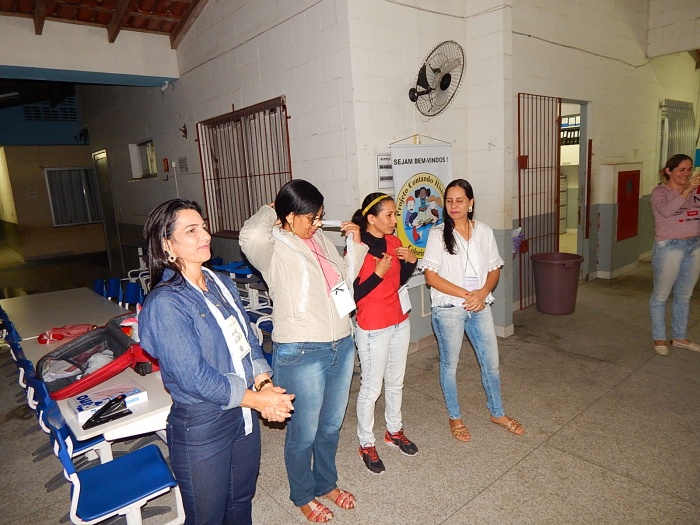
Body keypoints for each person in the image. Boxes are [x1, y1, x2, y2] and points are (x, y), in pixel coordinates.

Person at [139, 199, 295, 525]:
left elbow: (248, 341)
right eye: (191, 230)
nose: (205, 235)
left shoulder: (219, 282)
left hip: (242, 414)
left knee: (240, 501)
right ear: (168, 244)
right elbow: (194, 377)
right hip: (203, 424)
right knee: (207, 517)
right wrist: (258, 400)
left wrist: (265, 384)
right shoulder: (166, 303)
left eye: (204, 227)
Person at [240, 180, 368, 523]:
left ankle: (326, 483)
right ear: (290, 216)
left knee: (330, 425)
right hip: (302, 350)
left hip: (341, 343)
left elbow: (343, 285)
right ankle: (303, 494)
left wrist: (354, 246)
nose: (317, 224)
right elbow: (249, 236)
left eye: (320, 217)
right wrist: (271, 209)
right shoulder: (273, 247)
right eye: (311, 218)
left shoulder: (320, 239)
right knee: (304, 431)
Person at [419, 179, 525, 442]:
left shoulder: (484, 231)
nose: (453, 206)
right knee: (450, 366)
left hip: (479, 306)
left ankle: (497, 413)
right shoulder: (437, 234)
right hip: (448, 308)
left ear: (470, 203)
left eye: (460, 200)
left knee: (491, 364)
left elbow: (494, 269)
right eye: (449, 201)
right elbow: (431, 277)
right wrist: (469, 295)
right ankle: (455, 417)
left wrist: (483, 292)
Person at [351, 193, 418, 475]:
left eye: (394, 214)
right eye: (388, 215)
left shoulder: (393, 241)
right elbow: (352, 295)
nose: (394, 220)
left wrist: (411, 261)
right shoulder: (357, 249)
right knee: (371, 388)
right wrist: (376, 274)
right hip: (373, 327)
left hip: (399, 320)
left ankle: (394, 431)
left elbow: (397, 281)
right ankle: (366, 443)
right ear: (371, 218)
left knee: (395, 382)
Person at [649, 154, 700, 355]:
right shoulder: (660, 192)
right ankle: (659, 338)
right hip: (669, 246)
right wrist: (687, 191)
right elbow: (666, 211)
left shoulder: (696, 191)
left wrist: (692, 190)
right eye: (681, 170)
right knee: (661, 295)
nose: (686, 174)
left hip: (694, 245)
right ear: (669, 171)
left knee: (684, 295)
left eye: (689, 170)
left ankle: (679, 336)